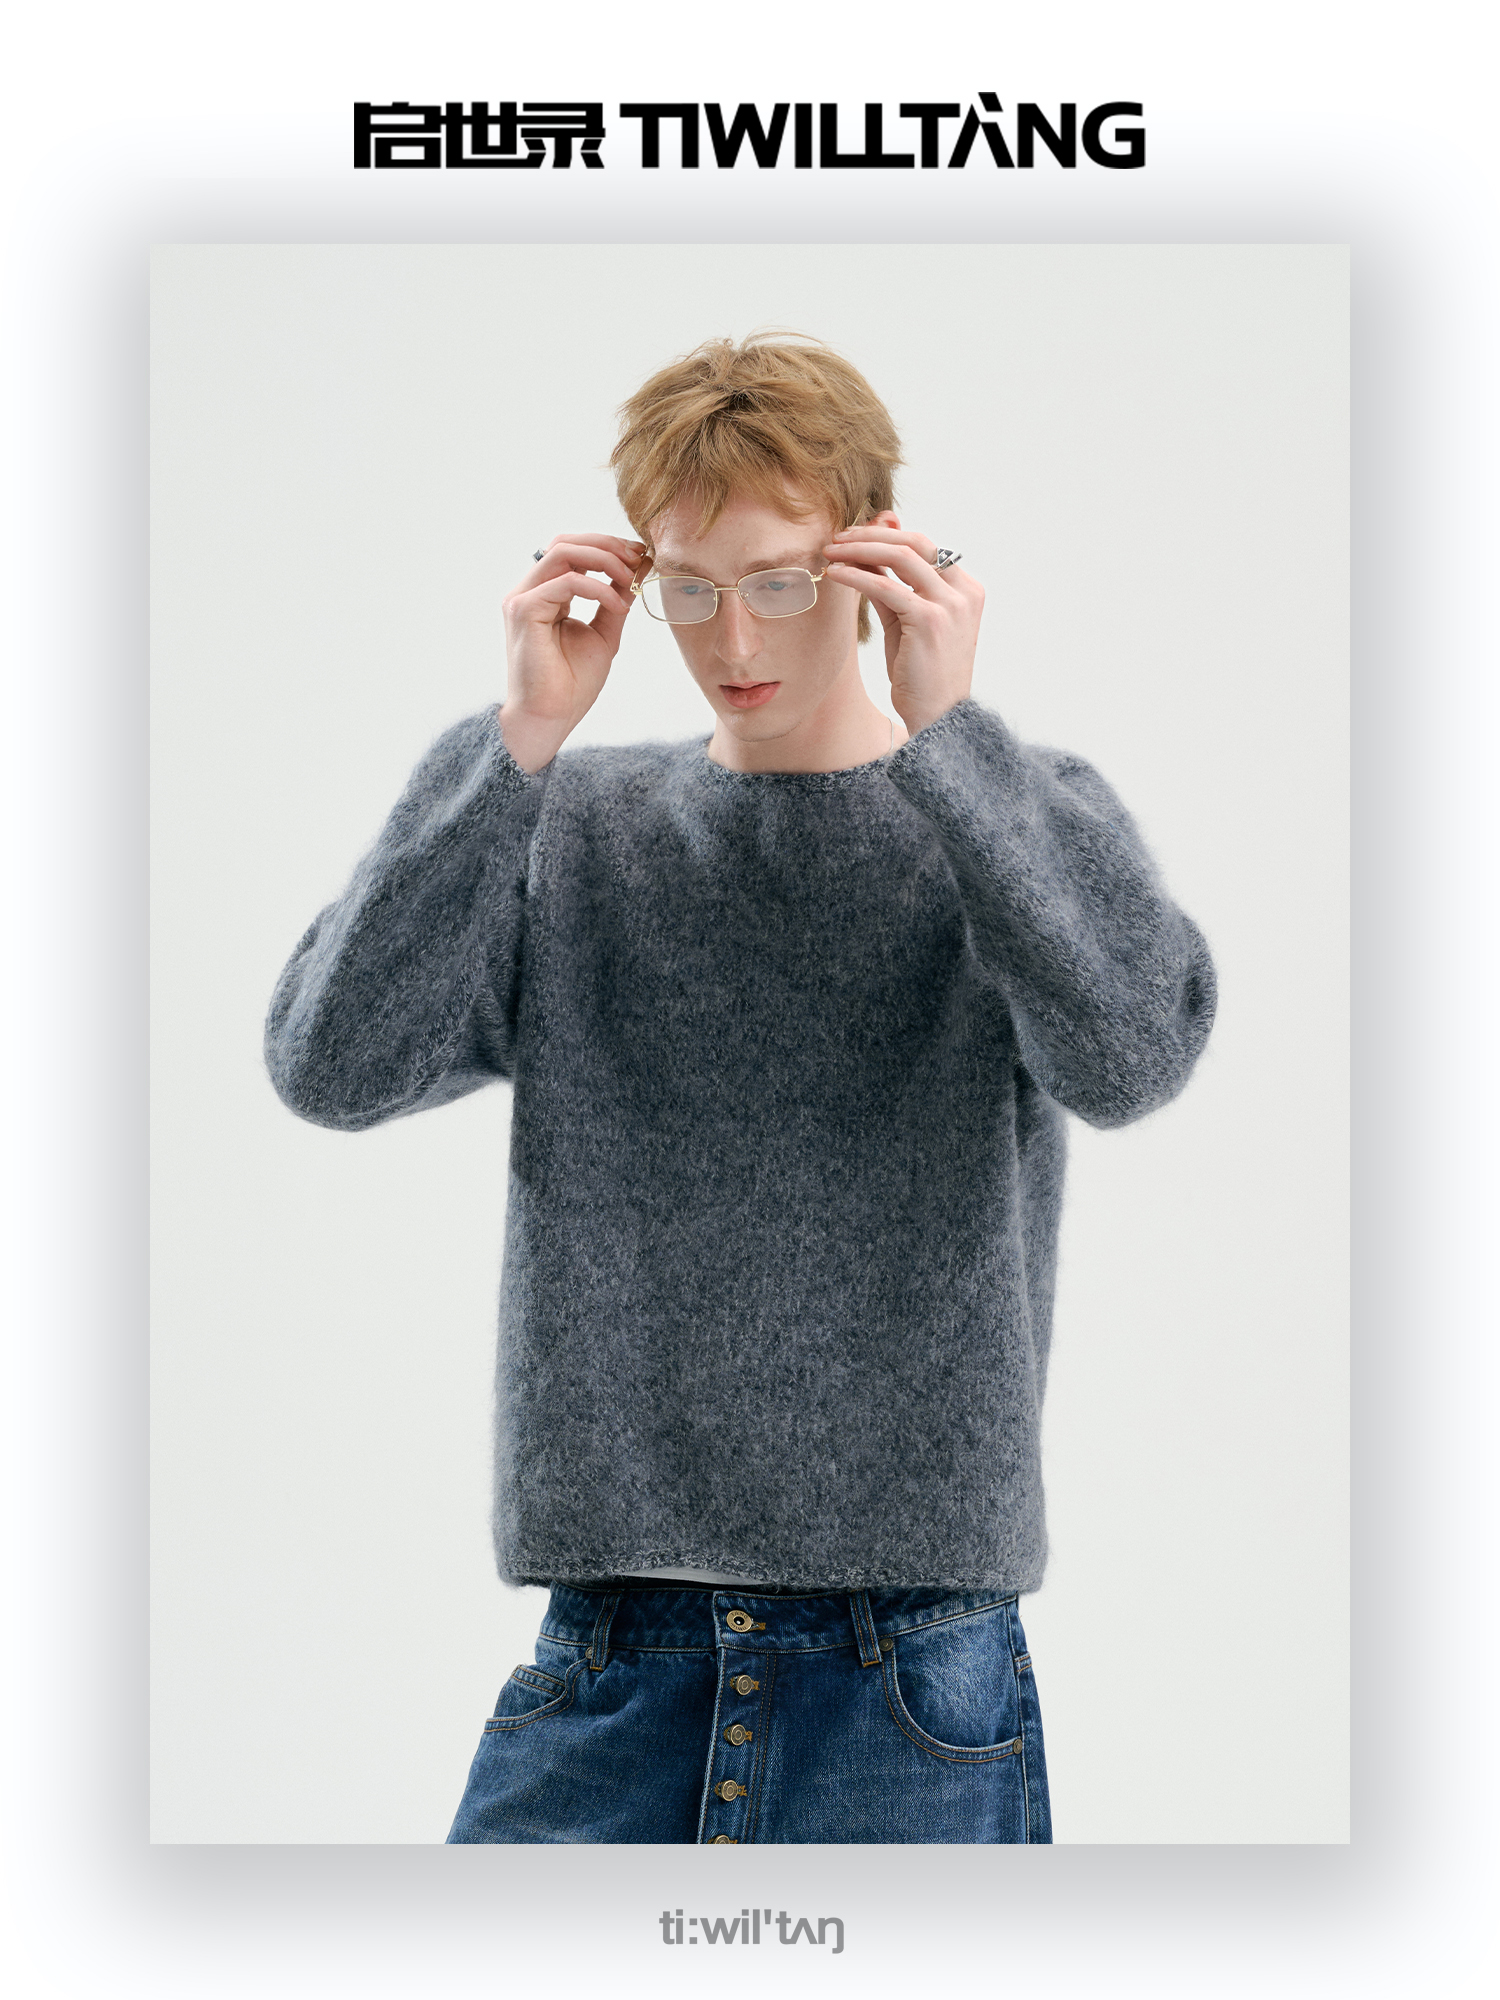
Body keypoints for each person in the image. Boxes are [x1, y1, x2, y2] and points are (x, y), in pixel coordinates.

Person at [264, 333, 1218, 1845]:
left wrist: (955, 741)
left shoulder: (1005, 821)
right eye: (690, 590)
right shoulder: (576, 830)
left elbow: (1134, 1056)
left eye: (777, 581)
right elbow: (331, 1065)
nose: (731, 636)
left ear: (875, 558)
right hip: (610, 1647)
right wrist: (516, 742)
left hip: (906, 1658)